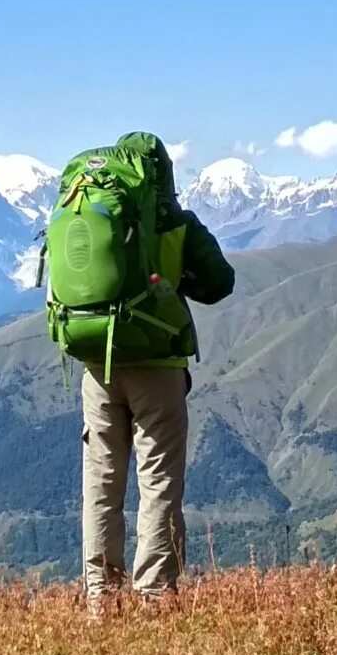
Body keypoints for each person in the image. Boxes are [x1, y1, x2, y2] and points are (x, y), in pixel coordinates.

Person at [75, 135, 235, 607]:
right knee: (158, 483)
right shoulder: (176, 222)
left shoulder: (94, 209)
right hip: (159, 368)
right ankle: (154, 596)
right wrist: (177, 277)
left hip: (98, 365)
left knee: (102, 483)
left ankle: (100, 597)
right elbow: (220, 283)